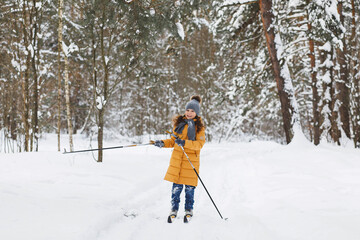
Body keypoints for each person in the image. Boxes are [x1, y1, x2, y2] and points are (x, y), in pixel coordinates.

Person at [153, 95, 206, 223]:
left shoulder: (199, 128)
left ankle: (189, 210)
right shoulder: (179, 124)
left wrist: (185, 143)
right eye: (188, 110)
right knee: (176, 188)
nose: (189, 113)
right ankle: (174, 209)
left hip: (190, 161)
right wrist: (162, 143)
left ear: (196, 113)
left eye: (192, 111)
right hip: (177, 161)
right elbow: (173, 141)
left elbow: (199, 145)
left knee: (189, 189)